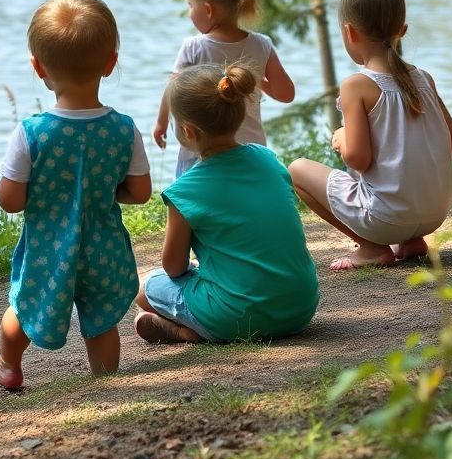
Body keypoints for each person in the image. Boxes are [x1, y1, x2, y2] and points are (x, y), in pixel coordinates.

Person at [0, 0, 153, 390]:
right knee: (101, 319)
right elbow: (141, 192)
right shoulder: (123, 129)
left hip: (47, 248)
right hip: (104, 246)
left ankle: (7, 364)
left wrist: (46, 196)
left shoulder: (32, 133)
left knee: (25, 307)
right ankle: (105, 379)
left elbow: (10, 200)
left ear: (38, 67)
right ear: (111, 62)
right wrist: (99, 192)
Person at [288, 0, 452, 272]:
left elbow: (358, 159)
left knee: (297, 170)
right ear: (402, 30)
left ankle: (371, 248)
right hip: (435, 214)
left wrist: (342, 136)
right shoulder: (424, 79)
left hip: (385, 219)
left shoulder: (356, 85)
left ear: (349, 32)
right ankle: (412, 241)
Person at [136, 64, 318, 344]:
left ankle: (188, 331)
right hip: (299, 308)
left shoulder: (184, 191)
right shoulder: (268, 159)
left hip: (235, 317)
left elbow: (173, 268)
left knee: (144, 289)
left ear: (188, 131)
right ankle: (200, 324)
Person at [154, 0, 295, 177]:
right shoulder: (261, 45)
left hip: (201, 152)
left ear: (208, 9)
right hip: (251, 151)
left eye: (190, 5)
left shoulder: (194, 47)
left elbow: (173, 88)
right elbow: (286, 94)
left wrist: (161, 122)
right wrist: (257, 80)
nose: (189, 12)